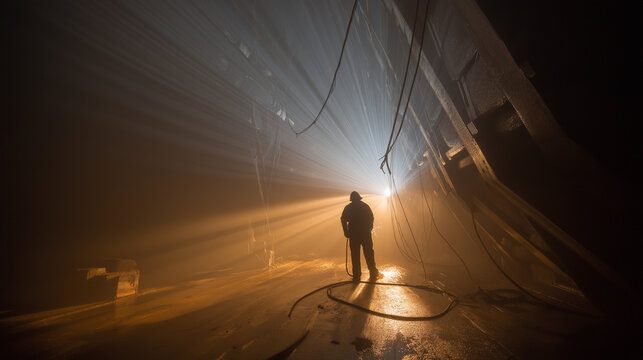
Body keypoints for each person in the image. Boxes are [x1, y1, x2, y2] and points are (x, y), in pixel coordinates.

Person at [341, 191, 380, 282]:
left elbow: (343, 219)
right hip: (365, 234)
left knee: (355, 255)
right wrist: (369, 228)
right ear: (359, 198)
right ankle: (373, 272)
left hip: (354, 235)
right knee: (369, 253)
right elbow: (371, 218)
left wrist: (346, 231)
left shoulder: (348, 208)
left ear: (352, 199)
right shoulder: (365, 206)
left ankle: (357, 276)